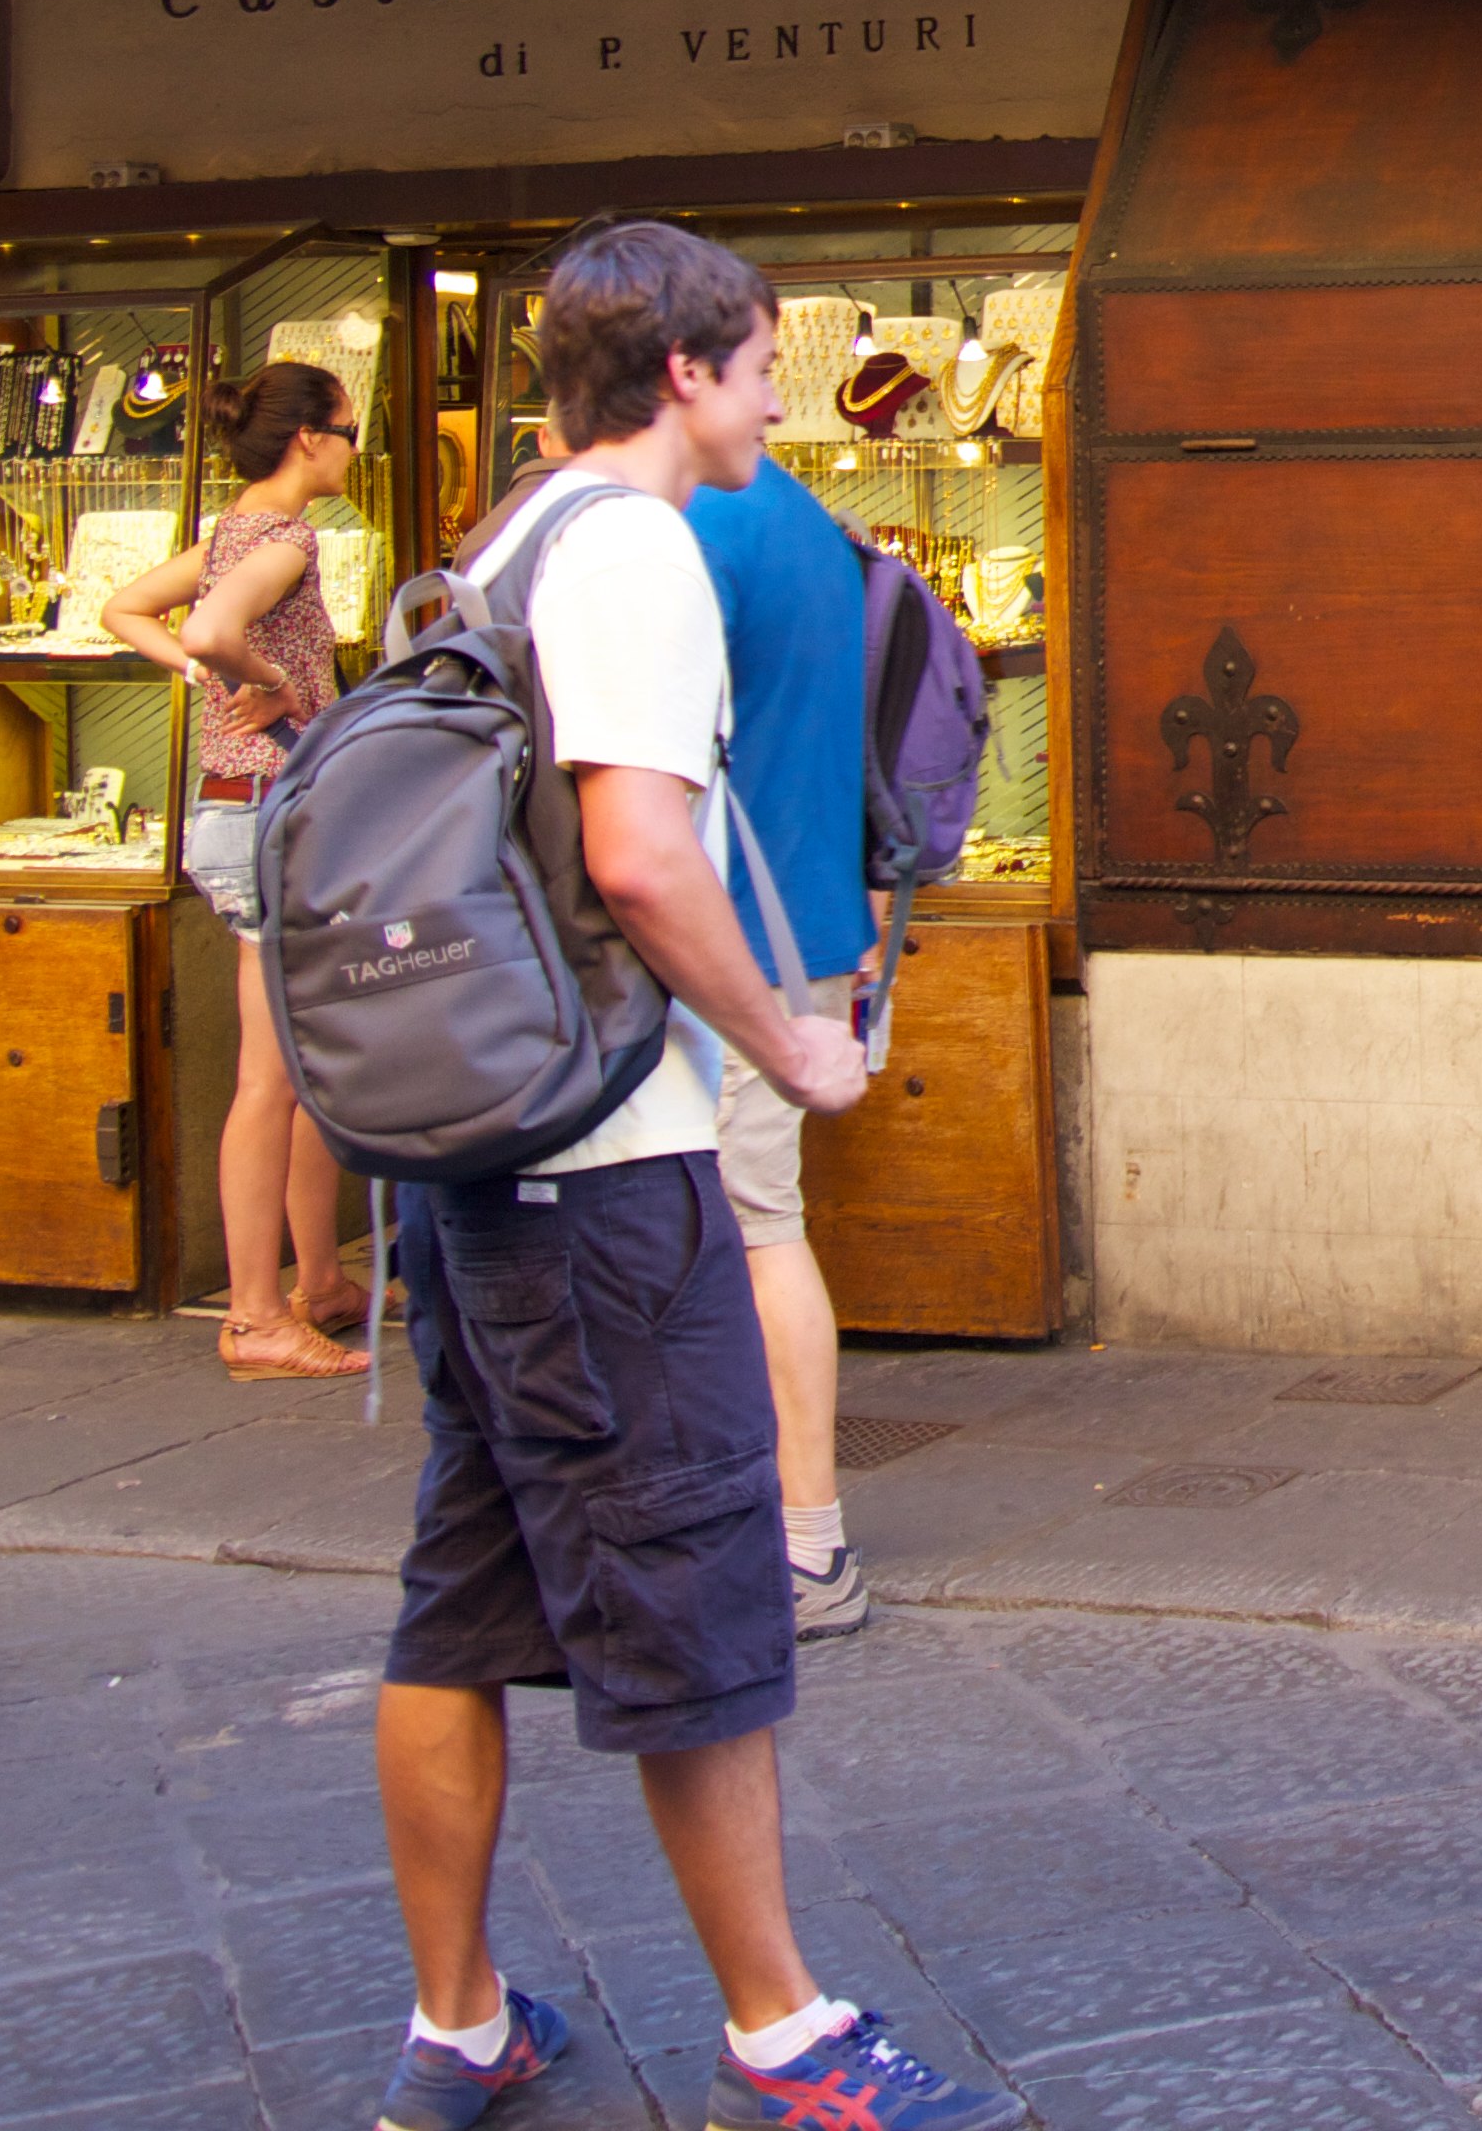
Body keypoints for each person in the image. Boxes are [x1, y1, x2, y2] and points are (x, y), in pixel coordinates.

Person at [364, 223, 1018, 2131]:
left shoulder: (497, 540)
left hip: (479, 1166)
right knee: (703, 1596)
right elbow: (640, 856)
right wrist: (788, 1042)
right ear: (681, 374)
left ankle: (458, 2023)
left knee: (458, 1605)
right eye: (754, 370)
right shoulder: (636, 550)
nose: (769, 409)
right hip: (602, 1173)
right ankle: (783, 2039)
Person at [109, 360, 366, 1381]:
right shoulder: (288, 539)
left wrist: (210, 675)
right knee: (271, 1078)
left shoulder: (230, 534)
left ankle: (320, 1282)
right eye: (350, 433)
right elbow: (209, 630)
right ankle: (259, 1317)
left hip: (234, 807)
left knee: (303, 1062)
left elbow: (127, 608)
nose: (353, 453)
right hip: (271, 810)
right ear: (310, 438)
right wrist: (263, 677)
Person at [682, 443, 882, 1642]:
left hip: (735, 932)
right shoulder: (802, 520)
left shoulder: (702, 525)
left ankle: (808, 1543)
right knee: (755, 1222)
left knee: (755, 1227)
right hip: (801, 915)